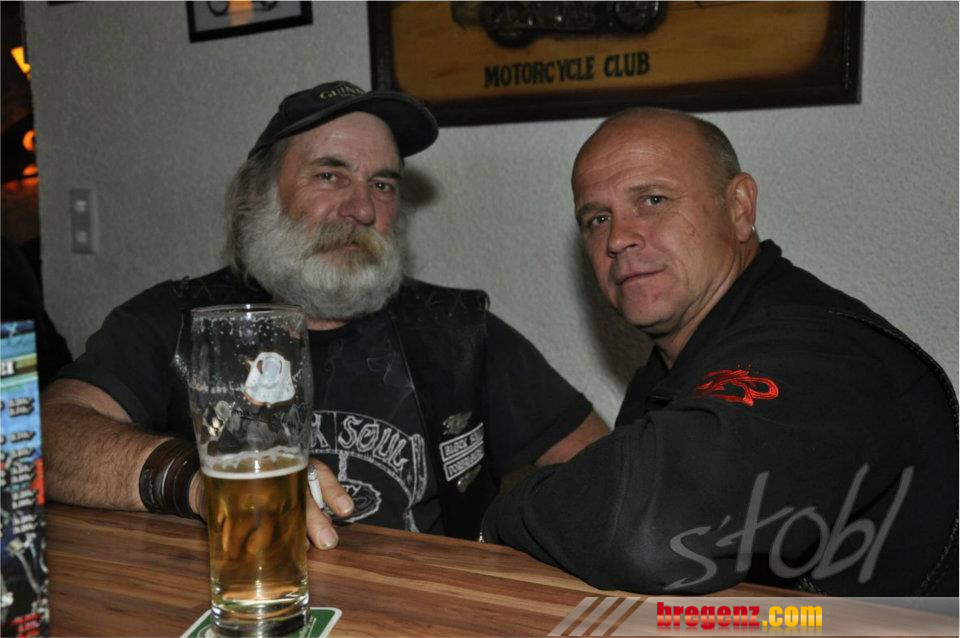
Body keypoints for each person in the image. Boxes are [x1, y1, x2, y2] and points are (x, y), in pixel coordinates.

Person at [40, 80, 608, 550]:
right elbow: (49, 438)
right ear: (258, 194)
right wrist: (199, 482)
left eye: (381, 184)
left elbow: (604, 470)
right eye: (329, 175)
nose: (361, 208)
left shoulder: (457, 331)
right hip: (236, 609)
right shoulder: (177, 321)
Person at [480, 108, 958, 596]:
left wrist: (501, 515)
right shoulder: (677, 364)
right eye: (597, 219)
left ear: (739, 208)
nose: (618, 238)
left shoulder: (819, 354)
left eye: (653, 200)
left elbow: (652, 535)